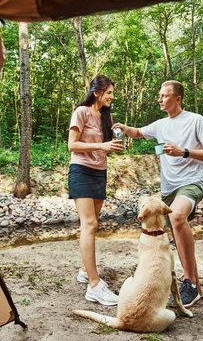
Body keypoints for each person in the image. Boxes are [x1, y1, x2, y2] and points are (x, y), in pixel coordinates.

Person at [113, 80, 203, 307]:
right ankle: (196, 288)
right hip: (167, 191)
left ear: (177, 99)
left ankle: (189, 282)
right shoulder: (161, 124)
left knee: (177, 216)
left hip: (191, 183)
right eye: (159, 95)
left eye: (164, 96)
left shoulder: (195, 120)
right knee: (173, 229)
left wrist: (184, 152)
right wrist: (124, 128)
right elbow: (139, 133)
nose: (160, 99)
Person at [68, 75, 124, 306]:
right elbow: (72, 145)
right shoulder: (81, 112)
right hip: (80, 171)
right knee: (88, 224)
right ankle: (94, 285)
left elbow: (105, 148)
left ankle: (84, 270)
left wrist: (114, 145)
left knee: (94, 224)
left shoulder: (105, 116)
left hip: (100, 172)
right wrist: (101, 145)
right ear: (97, 92)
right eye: (109, 92)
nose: (112, 96)